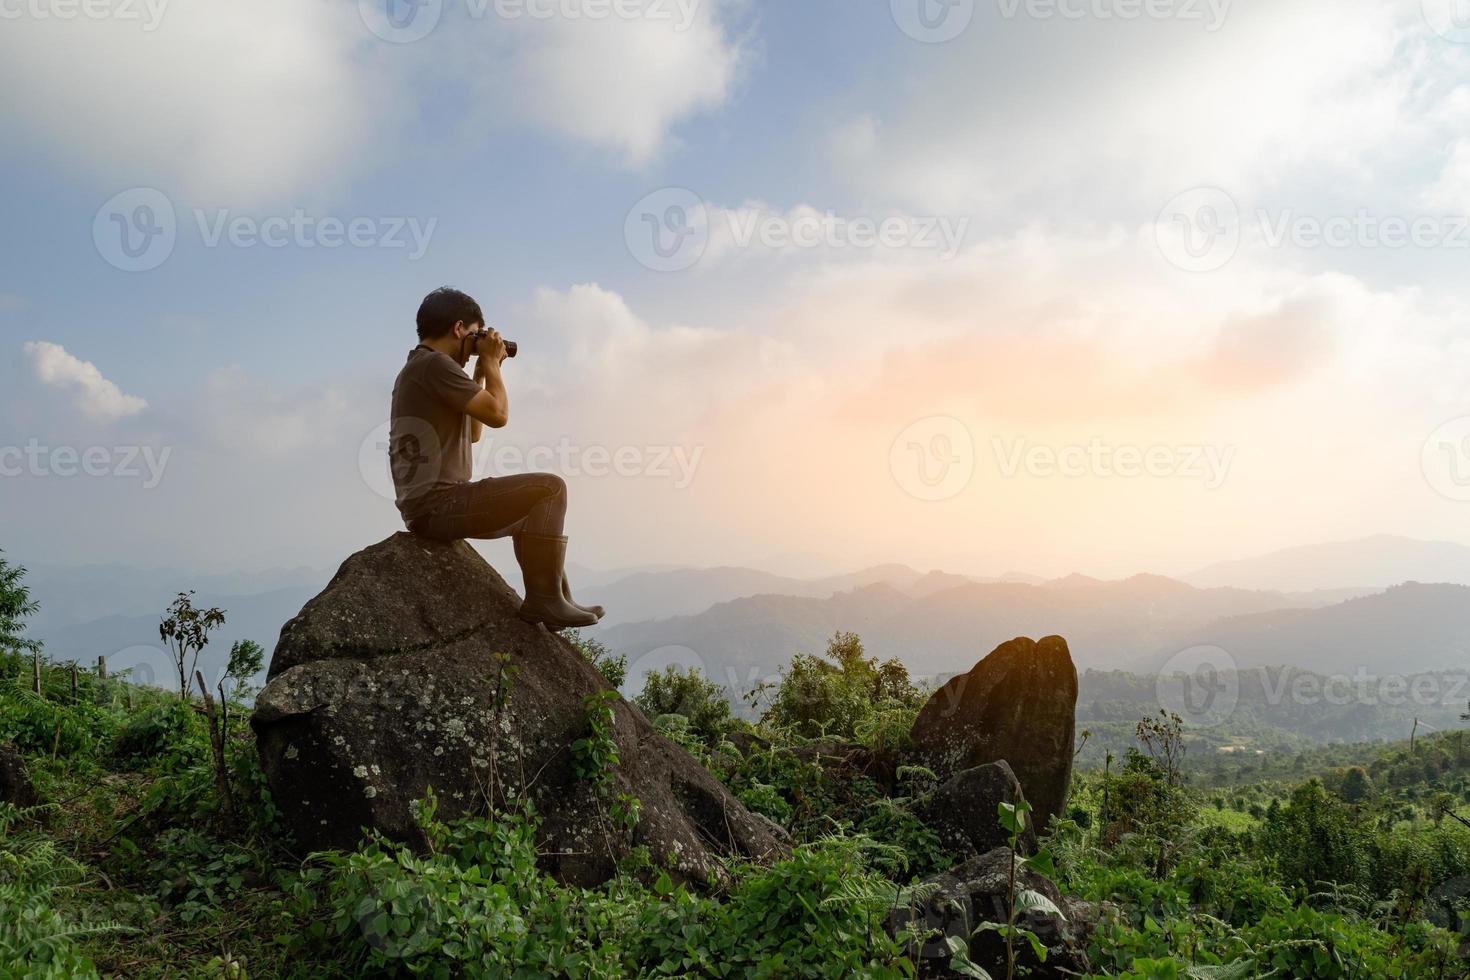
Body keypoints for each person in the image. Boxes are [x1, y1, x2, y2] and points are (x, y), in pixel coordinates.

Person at [387, 286, 603, 630]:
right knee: (550, 489)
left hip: (429, 505)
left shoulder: (423, 367)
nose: (475, 348)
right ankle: (544, 601)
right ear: (459, 329)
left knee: (531, 513)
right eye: (475, 336)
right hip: (439, 503)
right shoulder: (433, 365)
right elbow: (499, 414)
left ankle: (555, 598)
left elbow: (473, 432)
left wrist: (480, 373)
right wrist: (491, 362)